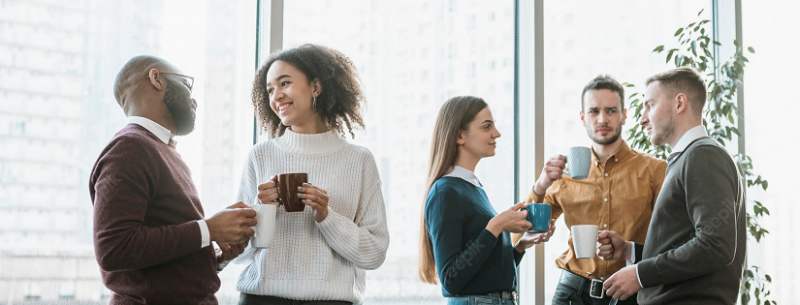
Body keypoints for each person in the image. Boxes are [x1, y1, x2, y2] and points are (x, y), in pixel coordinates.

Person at [89, 55, 256, 305]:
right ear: (156, 79)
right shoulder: (130, 148)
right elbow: (114, 248)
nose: (195, 100)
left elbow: (162, 264)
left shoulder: (161, 149)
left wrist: (216, 256)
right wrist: (210, 229)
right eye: (187, 85)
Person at [232, 44, 389, 305]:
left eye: (284, 83)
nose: (276, 96)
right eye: (270, 90)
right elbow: (239, 255)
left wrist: (327, 217)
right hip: (261, 298)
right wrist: (263, 211)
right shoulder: (260, 156)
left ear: (316, 87)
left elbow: (375, 252)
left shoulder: (359, 160)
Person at [512, 76, 667, 304]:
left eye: (611, 111)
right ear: (583, 118)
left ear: (624, 115)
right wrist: (540, 185)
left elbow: (671, 241)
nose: (602, 119)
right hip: (571, 292)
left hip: (631, 293)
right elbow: (521, 234)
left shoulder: (655, 170)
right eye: (594, 111)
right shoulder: (563, 174)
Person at [598, 67, 746, 304]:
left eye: (650, 105)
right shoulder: (689, 158)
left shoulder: (702, 156)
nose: (642, 118)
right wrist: (631, 251)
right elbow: (685, 243)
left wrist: (640, 274)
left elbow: (715, 245)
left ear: (679, 104)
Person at [418, 96, 556, 305]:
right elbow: (451, 281)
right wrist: (496, 226)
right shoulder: (445, 191)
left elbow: (485, 275)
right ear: (459, 136)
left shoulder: (474, 188)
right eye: (486, 126)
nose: (497, 134)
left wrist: (522, 246)